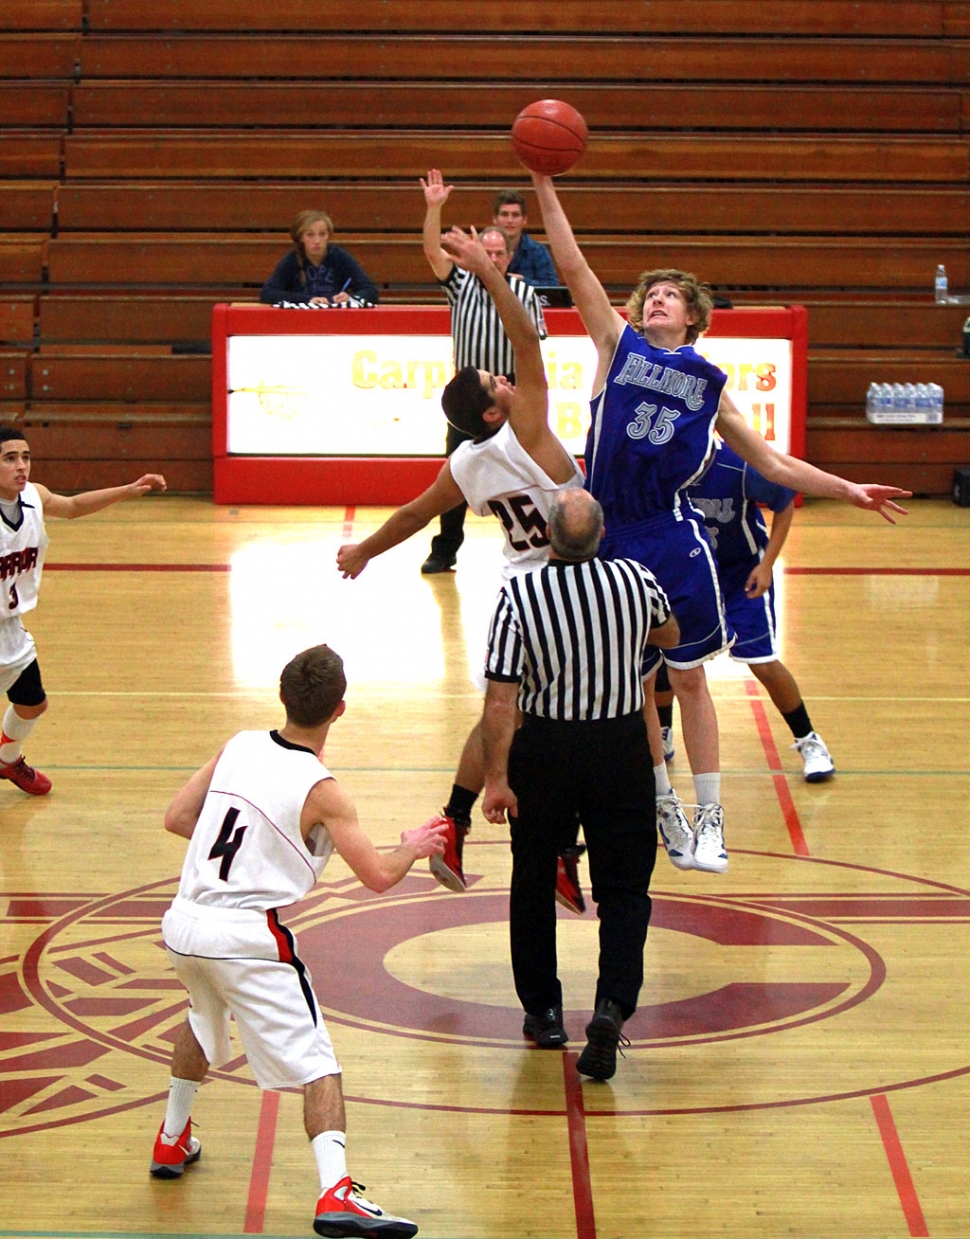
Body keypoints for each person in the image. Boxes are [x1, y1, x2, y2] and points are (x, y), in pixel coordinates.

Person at [529, 170, 910, 876]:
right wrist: (543, 181)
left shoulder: (710, 386)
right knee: (632, 685)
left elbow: (776, 463)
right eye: (651, 293)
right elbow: (573, 262)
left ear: (694, 316)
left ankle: (710, 819)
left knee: (691, 679)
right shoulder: (617, 345)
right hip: (607, 537)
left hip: (670, 538)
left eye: (670, 295)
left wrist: (849, 487)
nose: (657, 299)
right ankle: (661, 798)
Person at [149, 644, 446, 1239]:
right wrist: (413, 845)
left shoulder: (237, 745)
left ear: (282, 695)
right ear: (339, 710)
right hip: (244, 935)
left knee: (203, 1016)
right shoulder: (324, 790)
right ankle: (336, 1194)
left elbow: (179, 819)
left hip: (184, 923)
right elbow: (380, 877)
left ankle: (172, 1138)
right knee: (318, 1064)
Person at [337, 224, 583, 904]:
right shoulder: (528, 424)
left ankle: (454, 816)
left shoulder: (468, 461)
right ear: (491, 407)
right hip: (569, 586)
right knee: (580, 719)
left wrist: (363, 550)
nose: (507, 376)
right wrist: (489, 272)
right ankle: (564, 845)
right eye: (494, 379)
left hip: (517, 587)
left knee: (501, 713)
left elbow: (416, 515)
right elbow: (528, 340)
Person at [481, 489, 679, 1079]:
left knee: (535, 877)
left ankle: (543, 1011)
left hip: (546, 750)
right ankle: (612, 1004)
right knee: (625, 887)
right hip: (620, 748)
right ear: (600, 536)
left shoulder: (519, 594)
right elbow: (669, 636)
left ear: (547, 537)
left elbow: (499, 698)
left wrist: (496, 779)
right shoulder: (636, 580)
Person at [0, 427, 166, 795]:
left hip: (9, 628)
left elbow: (73, 507)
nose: (21, 466)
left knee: (32, 703)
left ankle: (6, 759)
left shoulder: (34, 496)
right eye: (9, 458)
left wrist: (126, 490)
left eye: (25, 457)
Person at [418, 170, 547, 575]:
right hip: (472, 397)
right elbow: (432, 253)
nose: (492, 260)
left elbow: (532, 346)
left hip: (511, 394)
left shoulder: (525, 293)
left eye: (498, 255)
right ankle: (445, 549)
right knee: (456, 473)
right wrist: (434, 209)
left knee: (533, 473)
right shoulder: (461, 284)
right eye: (485, 253)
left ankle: (548, 544)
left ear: (508, 258)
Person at [686, 438, 835, 780]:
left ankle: (809, 739)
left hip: (741, 576)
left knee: (763, 663)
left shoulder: (740, 464)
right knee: (670, 663)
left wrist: (767, 564)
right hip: (692, 575)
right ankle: (663, 734)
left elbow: (784, 503)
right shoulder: (669, 463)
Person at [260, 210, 379, 307]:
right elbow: (268, 293)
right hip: (301, 320)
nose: (317, 241)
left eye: (322, 234)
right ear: (300, 237)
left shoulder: (340, 257)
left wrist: (351, 298)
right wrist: (306, 300)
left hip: (335, 317)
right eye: (310, 235)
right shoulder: (292, 259)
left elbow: (370, 290)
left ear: (329, 236)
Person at [492, 189, 558, 287]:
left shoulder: (538, 252)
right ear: (495, 219)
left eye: (515, 215)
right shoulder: (481, 250)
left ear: (524, 220)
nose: (510, 220)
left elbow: (552, 288)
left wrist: (523, 281)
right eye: (504, 214)